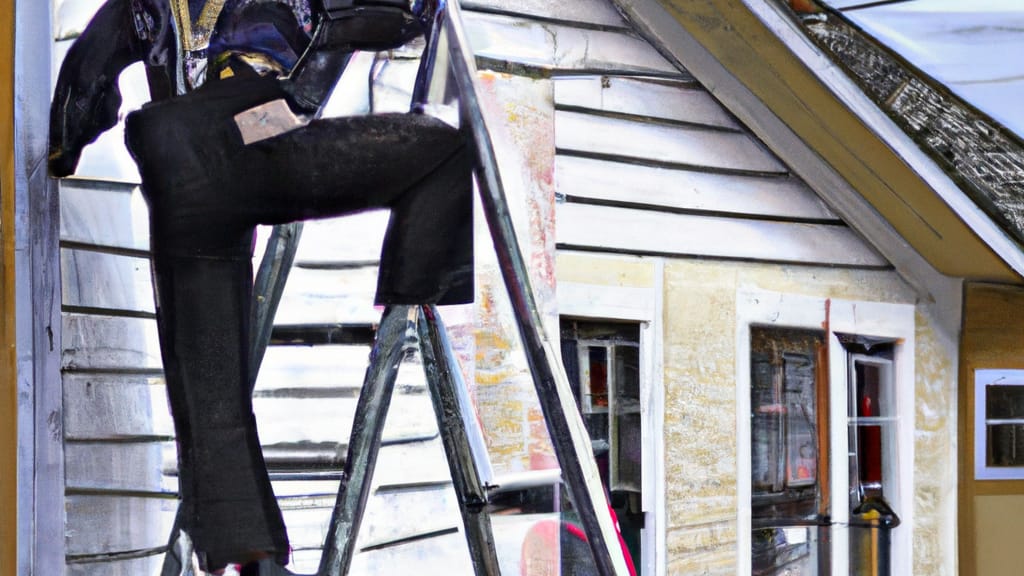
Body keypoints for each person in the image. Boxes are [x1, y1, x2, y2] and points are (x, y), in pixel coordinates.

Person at [49, 0, 472, 572]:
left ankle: (255, 559)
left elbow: (86, 72)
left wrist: (65, 148)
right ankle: (414, 296)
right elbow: (393, 18)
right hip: (249, 133)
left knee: (207, 383)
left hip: (173, 165)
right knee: (440, 149)